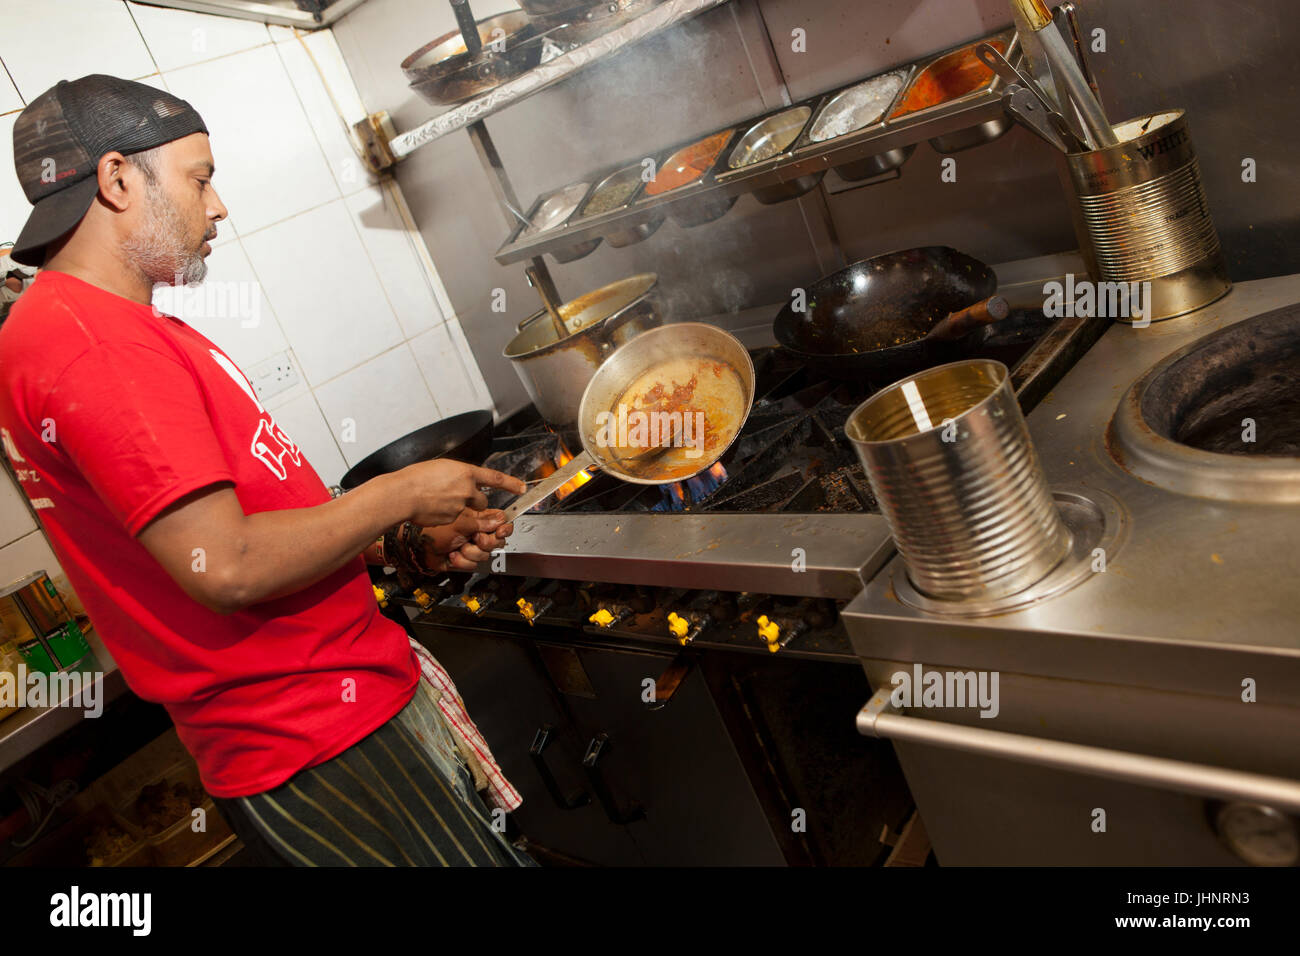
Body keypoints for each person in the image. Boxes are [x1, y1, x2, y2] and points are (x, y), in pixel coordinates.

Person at [0, 75, 533, 866]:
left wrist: (393, 545)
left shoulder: (103, 329)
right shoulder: (92, 345)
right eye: (201, 178)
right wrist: (400, 491)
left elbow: (229, 531)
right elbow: (230, 566)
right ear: (116, 180)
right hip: (317, 740)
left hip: (335, 717)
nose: (218, 207)